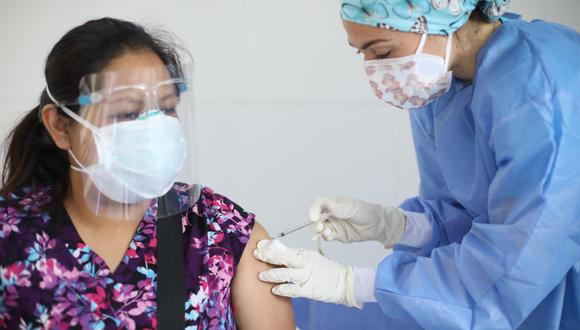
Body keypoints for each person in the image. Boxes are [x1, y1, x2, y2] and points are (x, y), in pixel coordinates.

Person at [254, 0, 580, 329]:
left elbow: (524, 251)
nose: (374, 72)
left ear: (437, 19)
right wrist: (398, 225)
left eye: (380, 53)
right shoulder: (440, 87)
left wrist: (353, 284)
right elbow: (463, 216)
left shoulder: (541, 88)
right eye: (361, 53)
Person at [0, 17, 294, 329]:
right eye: (127, 112)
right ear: (60, 126)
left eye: (166, 108)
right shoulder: (10, 236)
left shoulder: (222, 231)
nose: (154, 130)